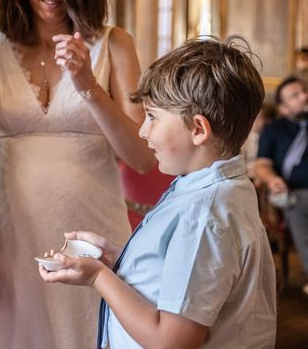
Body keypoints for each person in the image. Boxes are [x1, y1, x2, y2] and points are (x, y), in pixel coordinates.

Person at [0, 0, 155, 349]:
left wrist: (88, 85)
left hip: (93, 223)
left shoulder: (115, 44)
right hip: (11, 227)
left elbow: (142, 158)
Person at [39, 37, 277, 349]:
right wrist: (117, 259)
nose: (142, 131)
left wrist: (98, 276)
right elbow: (180, 272)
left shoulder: (204, 216)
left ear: (197, 129)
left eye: (153, 117)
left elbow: (170, 341)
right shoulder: (209, 188)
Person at [256, 76, 308, 296]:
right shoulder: (274, 130)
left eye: (304, 91)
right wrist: (271, 179)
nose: (305, 96)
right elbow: (261, 165)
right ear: (283, 108)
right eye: (295, 95)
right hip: (295, 194)